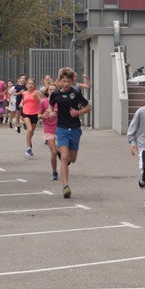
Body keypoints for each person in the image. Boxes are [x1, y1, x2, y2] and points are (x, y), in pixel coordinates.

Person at [50, 67, 92, 199]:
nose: (66, 84)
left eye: (68, 81)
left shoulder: (76, 93)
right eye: (64, 81)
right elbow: (50, 105)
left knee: (72, 159)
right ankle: (65, 187)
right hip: (61, 128)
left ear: (72, 81)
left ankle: (62, 153)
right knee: (64, 157)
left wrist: (78, 113)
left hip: (75, 129)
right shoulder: (55, 94)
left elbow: (88, 107)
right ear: (60, 81)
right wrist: (51, 112)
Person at [39, 83, 59, 180]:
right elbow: (39, 115)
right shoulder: (43, 102)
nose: (52, 91)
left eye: (54, 90)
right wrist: (43, 116)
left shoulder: (60, 101)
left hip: (60, 128)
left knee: (63, 151)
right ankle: (54, 172)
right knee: (54, 152)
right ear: (47, 91)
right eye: (50, 90)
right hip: (48, 129)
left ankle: (62, 154)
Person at [20, 77, 43, 157]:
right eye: (29, 84)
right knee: (29, 129)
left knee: (31, 131)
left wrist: (37, 98)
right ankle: (28, 148)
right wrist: (21, 104)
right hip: (25, 112)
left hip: (35, 113)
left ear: (34, 86)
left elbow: (42, 102)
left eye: (32, 84)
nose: (30, 85)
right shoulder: (24, 93)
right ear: (26, 85)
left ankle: (29, 143)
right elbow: (23, 100)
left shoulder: (37, 92)